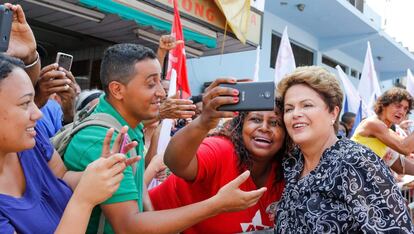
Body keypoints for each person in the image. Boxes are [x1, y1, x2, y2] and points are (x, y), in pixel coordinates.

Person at [63, 44, 269, 233]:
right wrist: (216, 205)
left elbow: (136, 187)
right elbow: (127, 226)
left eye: (159, 82)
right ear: (117, 89)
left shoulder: (128, 127)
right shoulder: (102, 138)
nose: (161, 93)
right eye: (151, 84)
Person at [0, 53, 138, 234]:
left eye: (34, 100)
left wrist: (102, 170)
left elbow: (62, 178)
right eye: (25, 103)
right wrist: (84, 201)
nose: (38, 113)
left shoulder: (31, 140)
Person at [275, 66, 413, 233]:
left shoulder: (357, 162)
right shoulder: (291, 162)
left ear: (333, 113)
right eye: (289, 108)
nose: (295, 113)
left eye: (307, 105)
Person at [153, 79, 286, 233]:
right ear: (240, 126)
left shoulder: (289, 171)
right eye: (255, 119)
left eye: (275, 123)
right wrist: (204, 122)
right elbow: (175, 163)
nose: (264, 128)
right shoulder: (221, 149)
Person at [351, 87, 414, 174]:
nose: (402, 112)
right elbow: (404, 148)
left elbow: (400, 166)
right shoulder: (373, 123)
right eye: (398, 106)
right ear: (384, 105)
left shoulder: (388, 133)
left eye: (405, 108)